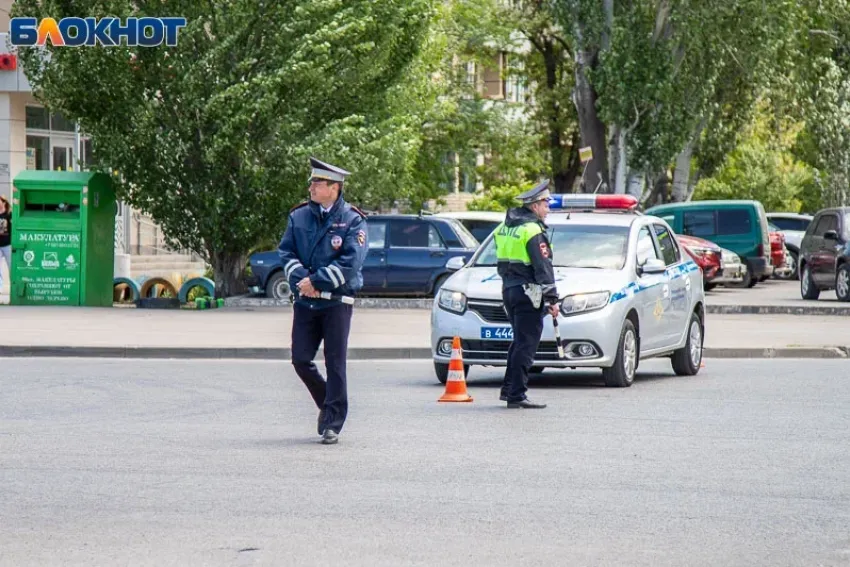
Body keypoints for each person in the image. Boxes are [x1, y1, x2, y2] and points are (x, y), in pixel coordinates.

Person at [277, 157, 368, 444]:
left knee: (335, 363)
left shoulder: (353, 220)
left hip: (336, 302)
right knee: (300, 359)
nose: (311, 187)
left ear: (334, 187)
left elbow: (351, 262)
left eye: (317, 183)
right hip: (305, 301)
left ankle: (333, 424)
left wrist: (317, 281)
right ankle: (328, 405)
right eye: (312, 182)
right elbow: (286, 253)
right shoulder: (299, 216)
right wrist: (304, 281)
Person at [493, 180, 559, 409]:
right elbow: (543, 266)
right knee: (526, 344)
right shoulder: (532, 230)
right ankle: (516, 395)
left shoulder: (505, 227)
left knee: (519, 342)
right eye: (546, 205)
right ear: (534, 206)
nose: (547, 210)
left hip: (509, 290)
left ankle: (509, 390)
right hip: (528, 292)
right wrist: (552, 299)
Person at [0, 196, 11, 293]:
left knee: (11, 265)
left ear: (3, 203)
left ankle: (13, 286)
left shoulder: (9, 214)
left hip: (8, 244)